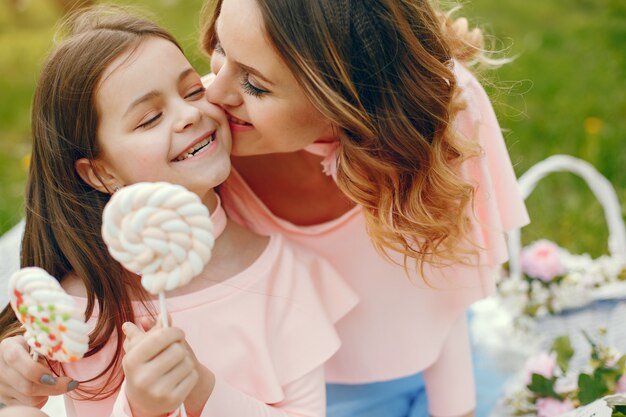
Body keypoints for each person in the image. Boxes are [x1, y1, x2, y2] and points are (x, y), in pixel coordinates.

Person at [0, 6, 357, 417]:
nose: (190, 115)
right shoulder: (81, 309)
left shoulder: (282, 273)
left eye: (192, 91)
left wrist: (203, 391)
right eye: (150, 118)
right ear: (100, 173)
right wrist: (142, 408)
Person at [199, 0, 529, 416]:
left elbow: (444, 298)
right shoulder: (196, 139)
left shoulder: (440, 117)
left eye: (256, 85)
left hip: (424, 362)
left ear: (346, 97)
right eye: (221, 47)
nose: (213, 91)